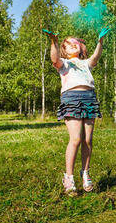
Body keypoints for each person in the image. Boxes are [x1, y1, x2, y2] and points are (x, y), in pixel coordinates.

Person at [44, 27, 109, 196]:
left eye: (76, 43)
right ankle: (69, 177)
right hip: (71, 98)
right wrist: (54, 42)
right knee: (75, 139)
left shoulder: (85, 63)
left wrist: (100, 42)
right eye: (69, 44)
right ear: (64, 51)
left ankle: (85, 173)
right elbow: (54, 58)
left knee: (87, 140)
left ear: (81, 48)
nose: (73, 44)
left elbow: (96, 57)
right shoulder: (64, 63)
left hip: (89, 97)